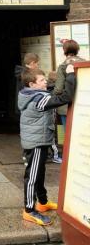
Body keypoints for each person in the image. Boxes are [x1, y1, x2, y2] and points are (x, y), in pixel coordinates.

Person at [18, 64, 75, 226]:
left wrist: (61, 75)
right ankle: (29, 210)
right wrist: (70, 76)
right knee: (32, 176)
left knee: (40, 172)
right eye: (42, 80)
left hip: (38, 140)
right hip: (36, 143)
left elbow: (52, 87)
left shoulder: (31, 94)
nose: (46, 83)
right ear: (32, 85)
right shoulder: (39, 99)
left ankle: (42, 202)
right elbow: (66, 98)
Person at [54, 39, 86, 130]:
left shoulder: (63, 66)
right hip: (83, 104)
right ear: (77, 49)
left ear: (64, 51)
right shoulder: (85, 63)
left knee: (69, 134)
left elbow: (58, 89)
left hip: (66, 106)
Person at [46, 71, 62, 164]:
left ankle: (48, 154)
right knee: (52, 138)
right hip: (52, 115)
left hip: (47, 117)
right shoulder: (55, 89)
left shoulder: (45, 87)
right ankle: (55, 156)